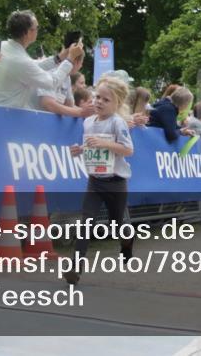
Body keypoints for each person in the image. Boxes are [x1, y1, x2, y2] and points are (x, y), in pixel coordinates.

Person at [65, 76, 134, 285]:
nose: (99, 102)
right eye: (97, 97)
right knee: (85, 222)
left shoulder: (117, 123)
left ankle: (127, 243)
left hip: (116, 182)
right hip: (95, 180)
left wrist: (104, 143)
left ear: (117, 104)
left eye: (106, 99)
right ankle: (74, 268)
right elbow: (91, 146)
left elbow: (128, 150)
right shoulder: (88, 122)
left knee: (116, 225)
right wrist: (80, 150)